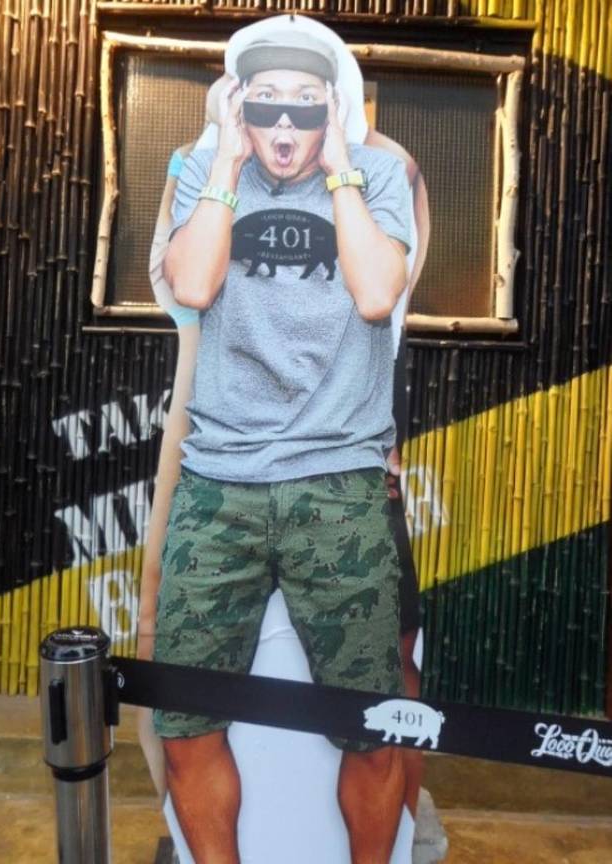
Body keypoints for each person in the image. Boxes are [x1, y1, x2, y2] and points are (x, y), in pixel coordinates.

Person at [141, 20, 429, 864]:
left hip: (338, 482)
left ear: (333, 107)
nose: (284, 124)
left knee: (369, 725)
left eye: (305, 104)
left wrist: (339, 163)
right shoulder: (205, 171)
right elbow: (192, 285)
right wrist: (223, 163)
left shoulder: (379, 173)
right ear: (239, 105)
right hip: (218, 479)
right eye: (266, 102)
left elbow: (375, 292)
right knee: (186, 718)